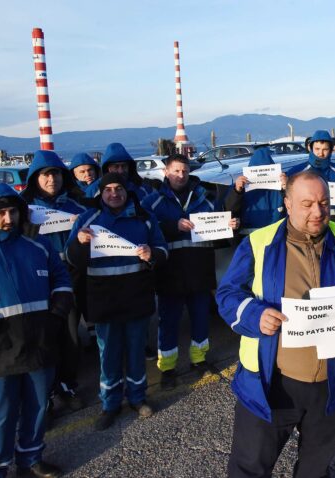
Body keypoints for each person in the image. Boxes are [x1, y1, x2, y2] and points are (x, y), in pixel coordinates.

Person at [216, 171, 335, 477]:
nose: (317, 212)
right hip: (273, 383)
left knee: (315, 467)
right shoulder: (259, 242)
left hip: (333, 382)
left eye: (323, 203)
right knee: (249, 467)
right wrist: (254, 315)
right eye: (307, 203)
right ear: (288, 204)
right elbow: (228, 293)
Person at [0, 184, 73, 478]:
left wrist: (57, 313)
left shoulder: (38, 246)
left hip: (39, 342)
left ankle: (30, 460)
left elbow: (62, 278)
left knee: (36, 408)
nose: (8, 218)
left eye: (12, 211)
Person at [66, 173, 168, 431]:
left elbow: (163, 250)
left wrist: (152, 254)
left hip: (136, 296)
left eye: (119, 188)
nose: (114, 193)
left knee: (135, 350)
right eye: (108, 189)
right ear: (100, 193)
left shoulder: (144, 218)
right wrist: (79, 243)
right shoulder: (87, 220)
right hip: (103, 299)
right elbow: (70, 257)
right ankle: (110, 404)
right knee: (109, 354)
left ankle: (137, 397)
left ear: (127, 191)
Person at [142, 154, 238, 390]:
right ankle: (168, 369)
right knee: (169, 321)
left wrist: (229, 228)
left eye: (184, 171)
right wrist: (171, 226)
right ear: (166, 172)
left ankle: (199, 359)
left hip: (200, 267)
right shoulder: (152, 202)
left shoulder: (206, 199)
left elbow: (219, 237)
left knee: (200, 317)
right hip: (169, 270)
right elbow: (144, 228)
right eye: (175, 171)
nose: (181, 175)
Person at [20, 150, 89, 415]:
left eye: (56, 174)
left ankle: (67, 385)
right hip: (36, 284)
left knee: (71, 336)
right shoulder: (23, 212)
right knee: (41, 339)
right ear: (35, 178)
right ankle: (44, 395)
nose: (52, 180)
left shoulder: (78, 207)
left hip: (69, 280)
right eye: (46, 175)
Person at [288, 130, 335, 223]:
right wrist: (284, 186)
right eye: (317, 149)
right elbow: (287, 198)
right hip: (307, 223)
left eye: (325, 149)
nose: (320, 153)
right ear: (310, 148)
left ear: (330, 150)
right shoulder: (296, 172)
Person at [224, 147, 286, 235]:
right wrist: (237, 190)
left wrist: (286, 188)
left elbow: (293, 207)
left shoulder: (280, 188)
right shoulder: (242, 187)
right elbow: (230, 211)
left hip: (276, 237)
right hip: (249, 238)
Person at [85, 143, 154, 200]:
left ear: (129, 167)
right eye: (116, 167)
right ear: (108, 168)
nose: (120, 171)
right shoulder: (93, 191)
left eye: (124, 166)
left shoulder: (142, 188)